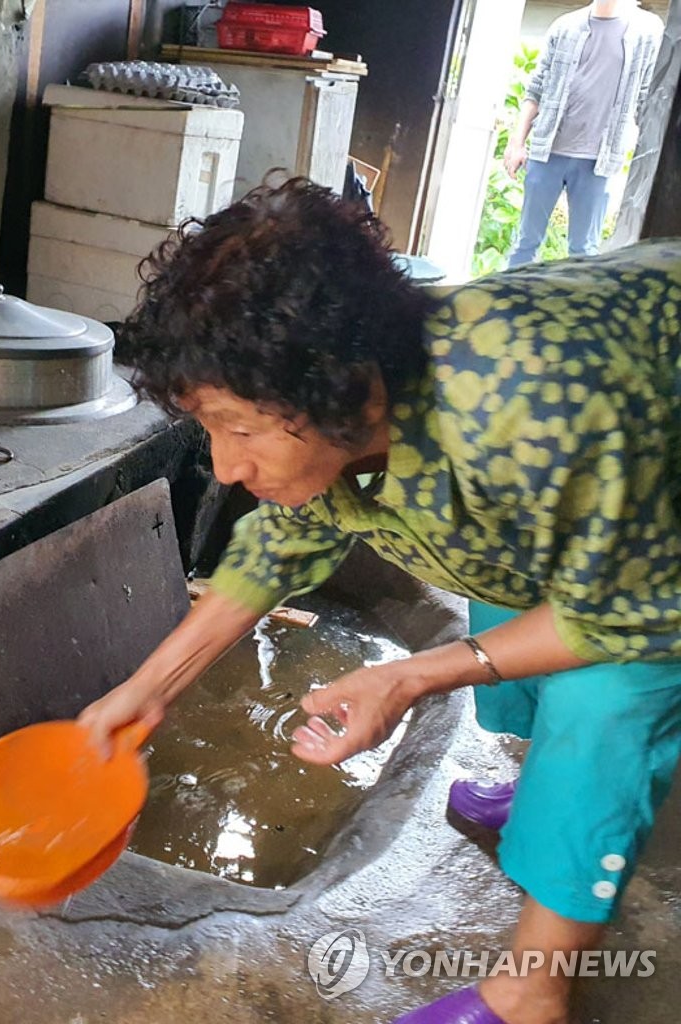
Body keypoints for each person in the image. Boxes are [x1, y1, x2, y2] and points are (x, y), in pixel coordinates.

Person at [78, 177, 681, 1024]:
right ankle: (548, 792)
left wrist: (405, 680)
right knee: (513, 584)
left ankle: (530, 993)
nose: (222, 467)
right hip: (599, 450)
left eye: (240, 431)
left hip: (658, 462)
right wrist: (147, 693)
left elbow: (621, 614)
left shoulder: (528, 410)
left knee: (610, 694)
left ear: (351, 394)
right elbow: (284, 539)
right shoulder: (342, 390)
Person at [503, 0, 663, 268]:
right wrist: (516, 143)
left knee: (584, 251)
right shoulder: (565, 26)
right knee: (525, 244)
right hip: (548, 152)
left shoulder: (647, 31)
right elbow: (536, 90)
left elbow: (647, 101)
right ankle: (507, 302)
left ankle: (575, 307)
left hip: (598, 161)